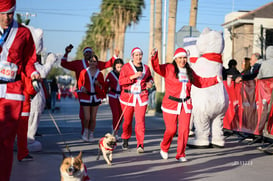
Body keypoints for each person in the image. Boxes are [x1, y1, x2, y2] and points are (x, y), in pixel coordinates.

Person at [151, 47, 221, 162]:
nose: (182, 60)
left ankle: (181, 154)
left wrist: (215, 79)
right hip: (171, 104)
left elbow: (200, 82)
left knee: (184, 131)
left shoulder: (189, 71)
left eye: (184, 58)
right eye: (180, 58)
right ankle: (164, 146)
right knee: (171, 130)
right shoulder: (169, 68)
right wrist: (154, 57)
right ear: (175, 58)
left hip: (186, 105)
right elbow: (157, 68)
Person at [0, 0, 41, 180]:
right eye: (2, 13)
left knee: (6, 142)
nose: (6, 18)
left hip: (12, 91)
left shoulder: (23, 33)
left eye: (9, 13)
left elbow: (28, 62)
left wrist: (33, 74)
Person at [61, 45, 119, 135]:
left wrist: (115, 56)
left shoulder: (96, 63)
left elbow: (107, 64)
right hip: (83, 92)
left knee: (93, 116)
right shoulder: (78, 63)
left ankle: (90, 132)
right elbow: (64, 64)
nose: (88, 54)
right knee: (83, 114)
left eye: (90, 52)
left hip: (95, 94)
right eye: (86, 52)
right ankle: (85, 130)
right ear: (84, 54)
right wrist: (66, 53)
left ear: (92, 54)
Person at [119, 47, 154, 153]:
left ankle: (140, 144)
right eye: (136, 55)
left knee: (140, 121)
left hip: (141, 96)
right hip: (128, 97)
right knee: (127, 122)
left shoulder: (146, 68)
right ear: (132, 56)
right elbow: (121, 82)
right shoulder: (126, 67)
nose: (138, 57)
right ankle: (125, 137)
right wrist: (132, 76)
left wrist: (150, 83)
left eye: (140, 55)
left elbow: (150, 78)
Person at [78, 55, 106, 142]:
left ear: (97, 63)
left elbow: (103, 86)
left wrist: (99, 84)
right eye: (91, 61)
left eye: (94, 61)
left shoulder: (100, 73)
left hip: (95, 97)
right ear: (88, 62)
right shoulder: (83, 72)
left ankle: (91, 133)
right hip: (86, 97)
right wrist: (82, 88)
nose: (92, 63)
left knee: (93, 118)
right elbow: (79, 84)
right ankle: (85, 131)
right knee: (87, 117)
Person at [16, 73, 37, 162]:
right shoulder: (26, 72)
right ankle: (22, 153)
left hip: (9, 102)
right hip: (23, 104)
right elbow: (31, 89)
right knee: (22, 132)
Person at [105, 58, 124, 139]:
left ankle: (115, 127)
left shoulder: (124, 74)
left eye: (121, 67)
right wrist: (104, 94)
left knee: (121, 116)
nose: (119, 69)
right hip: (113, 96)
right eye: (118, 67)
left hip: (122, 96)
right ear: (114, 67)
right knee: (116, 114)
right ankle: (115, 131)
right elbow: (106, 85)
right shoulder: (110, 74)